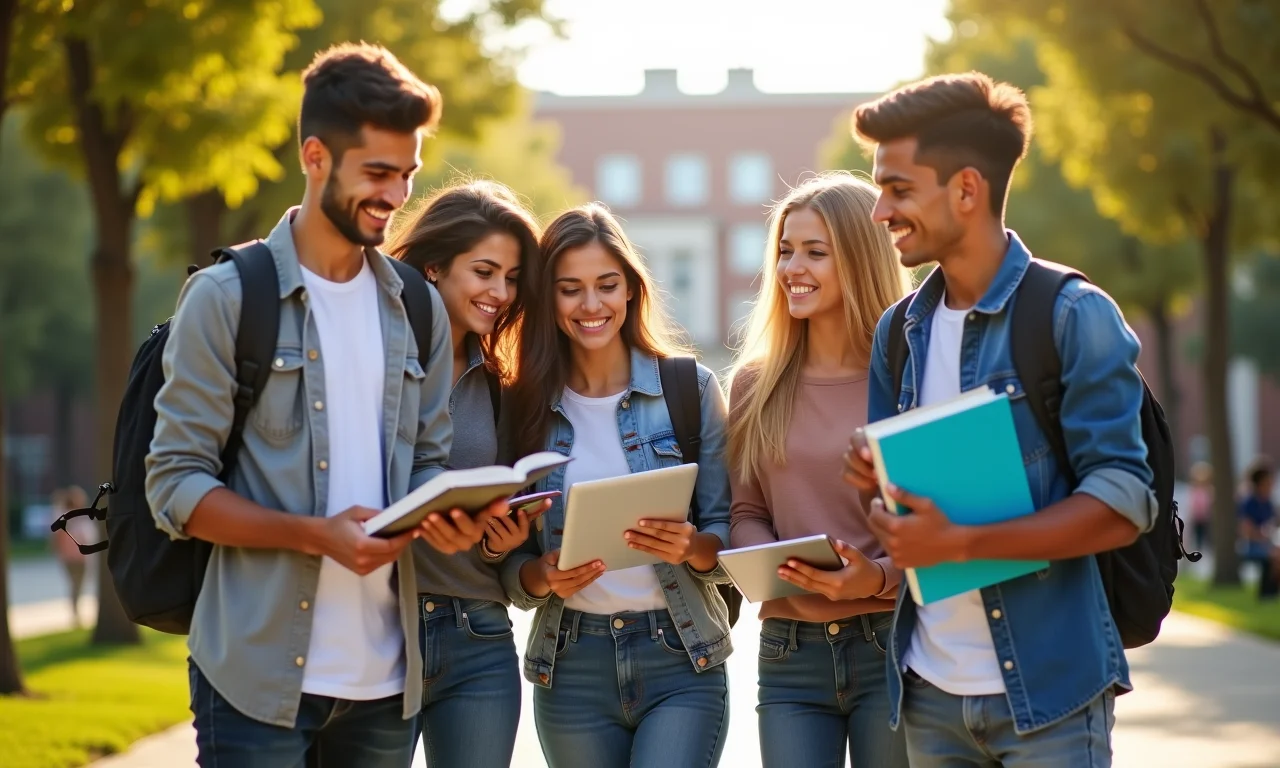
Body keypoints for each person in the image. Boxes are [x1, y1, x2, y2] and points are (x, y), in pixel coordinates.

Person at [145, 43, 508, 767]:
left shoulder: (419, 308)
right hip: (256, 679)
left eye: (406, 173)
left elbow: (426, 468)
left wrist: (455, 519)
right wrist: (318, 535)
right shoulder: (227, 297)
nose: (397, 195)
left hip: (385, 682)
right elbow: (175, 487)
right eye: (377, 172)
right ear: (315, 157)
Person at [843, 72, 1156, 767]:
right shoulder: (900, 331)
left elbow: (1122, 502)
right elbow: (896, 522)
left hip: (1048, 694)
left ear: (965, 189)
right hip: (928, 694)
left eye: (898, 189)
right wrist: (874, 479)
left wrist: (960, 543)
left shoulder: (1073, 315)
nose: (880, 213)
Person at [500, 204, 734, 768]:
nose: (591, 305)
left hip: (681, 657)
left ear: (631, 289)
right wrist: (541, 575)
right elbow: (511, 568)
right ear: (547, 298)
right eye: (570, 289)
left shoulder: (690, 388)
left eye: (607, 285)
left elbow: (727, 531)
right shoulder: (522, 408)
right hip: (571, 663)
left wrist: (692, 548)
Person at [726, 172, 911, 768]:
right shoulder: (756, 383)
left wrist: (875, 578)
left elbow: (948, 525)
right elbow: (747, 511)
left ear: (860, 259)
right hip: (789, 652)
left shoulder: (912, 380)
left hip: (892, 643)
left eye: (814, 252)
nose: (790, 268)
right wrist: (773, 565)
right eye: (784, 250)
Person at [385, 179, 546, 766]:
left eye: (509, 278)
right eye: (484, 272)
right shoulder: (378, 366)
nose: (499, 291)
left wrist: (506, 546)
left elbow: (501, 558)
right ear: (433, 267)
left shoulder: (501, 388)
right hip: (381, 627)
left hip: (478, 634)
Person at [49, 485, 92, 628]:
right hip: (70, 557)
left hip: (81, 556)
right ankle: (75, 613)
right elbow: (57, 537)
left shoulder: (82, 516)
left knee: (79, 584)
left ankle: (76, 611)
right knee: (75, 584)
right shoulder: (63, 516)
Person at [1238, 457, 1279, 599]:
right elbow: (1246, 530)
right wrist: (1264, 538)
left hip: (1267, 543)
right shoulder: (1249, 502)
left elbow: (1273, 524)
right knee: (1275, 555)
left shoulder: (1268, 503)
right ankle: (1267, 594)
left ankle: (1271, 592)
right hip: (1251, 545)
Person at [1188, 461, 1213, 553]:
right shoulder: (1194, 490)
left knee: (1207, 537)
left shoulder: (1209, 490)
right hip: (1197, 518)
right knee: (1197, 537)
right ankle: (1198, 550)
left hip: (1206, 518)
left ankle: (1206, 551)